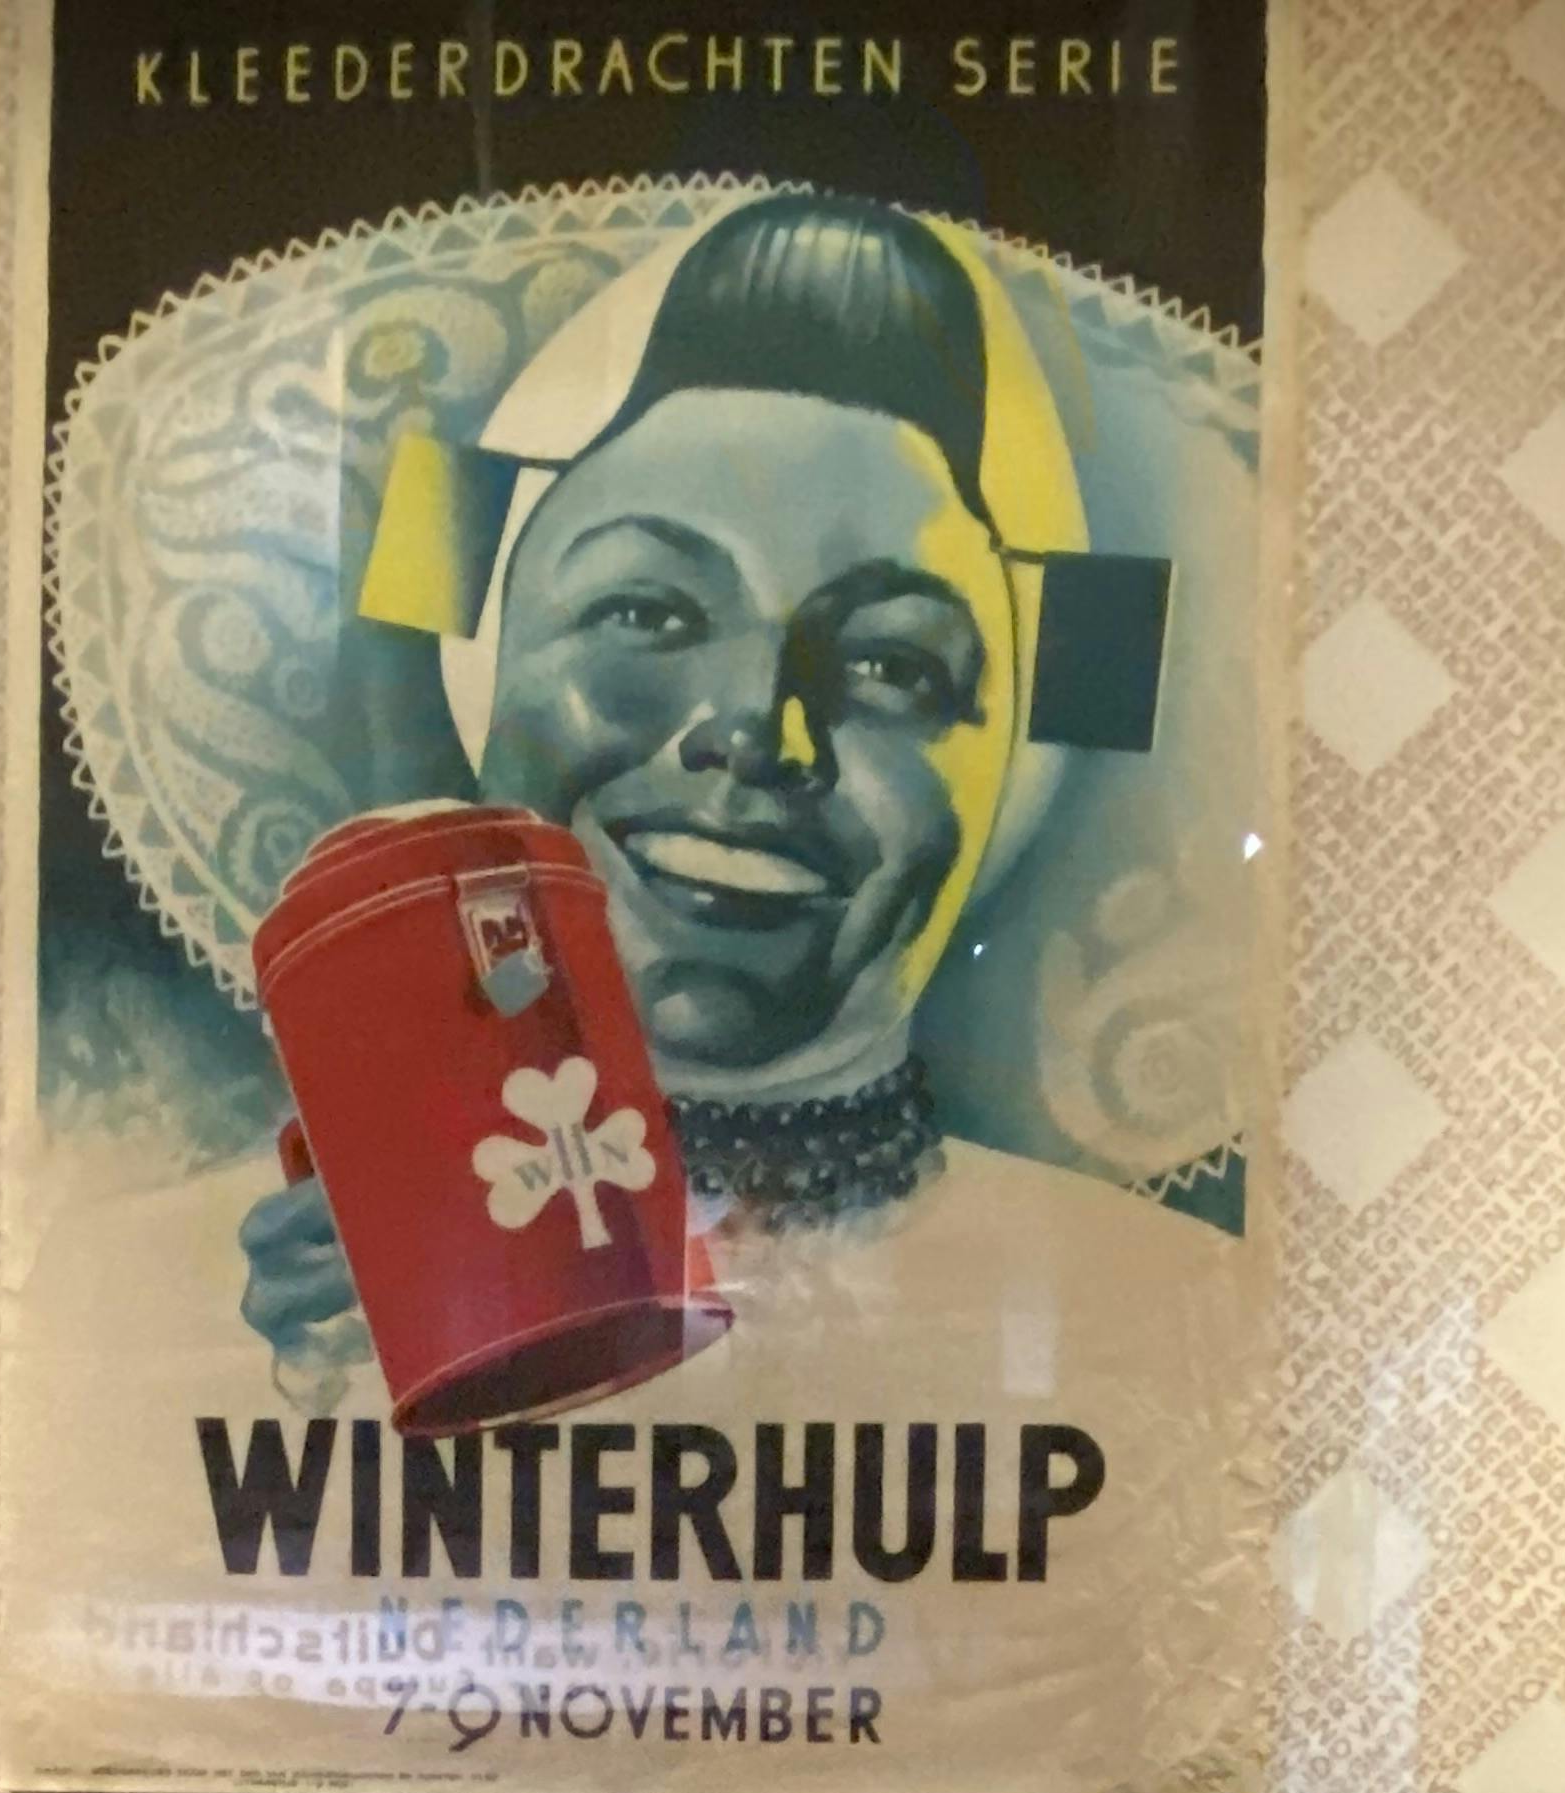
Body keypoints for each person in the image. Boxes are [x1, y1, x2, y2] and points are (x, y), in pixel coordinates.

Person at [238, 188, 1188, 1367]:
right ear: (490, 659)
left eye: (893, 663)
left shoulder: (1139, 1317)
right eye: (645, 611)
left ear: (1017, 774)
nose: (755, 729)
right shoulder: (197, 1283)